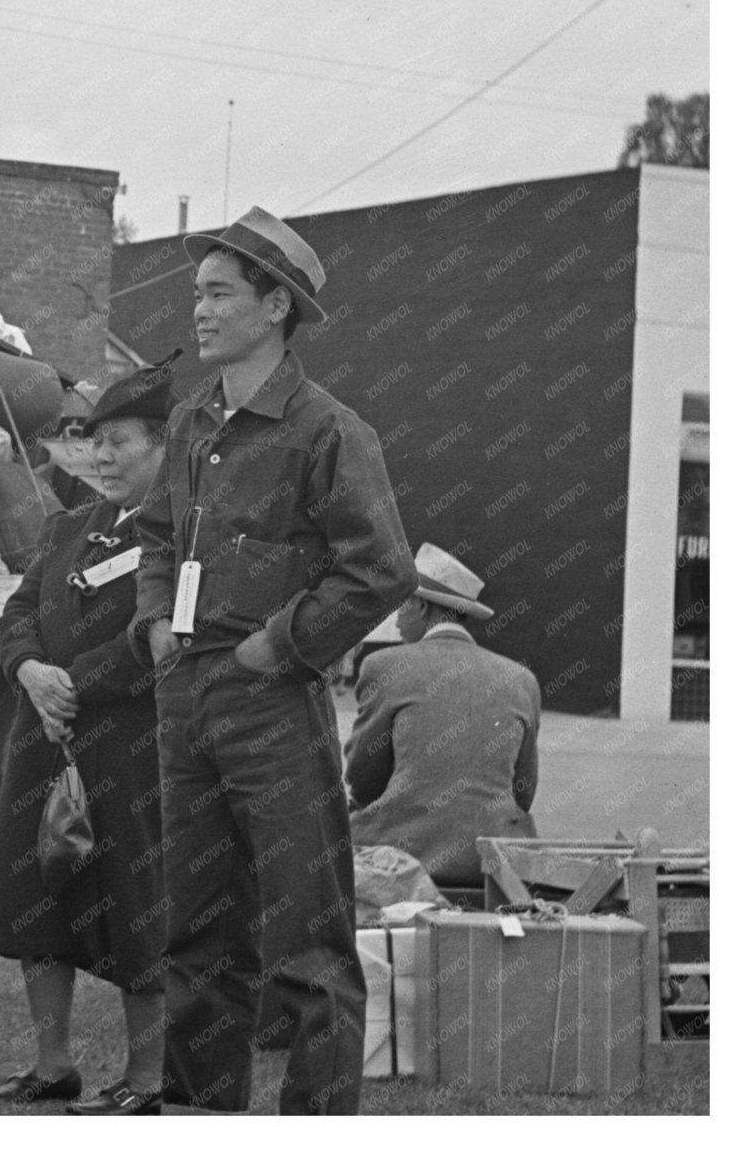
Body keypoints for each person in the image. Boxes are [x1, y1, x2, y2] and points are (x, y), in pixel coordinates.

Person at [131, 207, 415, 1117]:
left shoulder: (328, 432)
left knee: (307, 937)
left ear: (275, 307)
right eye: (198, 295)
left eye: (218, 294)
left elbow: (380, 571)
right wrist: (152, 619)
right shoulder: (188, 424)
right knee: (197, 929)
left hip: (270, 703)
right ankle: (198, 1112)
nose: (200, 312)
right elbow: (153, 539)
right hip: (188, 700)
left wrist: (279, 642)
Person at [0, 357, 180, 1114]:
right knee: (37, 901)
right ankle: (52, 1065)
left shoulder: (186, 537)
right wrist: (29, 671)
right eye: (94, 442)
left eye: (120, 442)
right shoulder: (69, 525)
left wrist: (74, 684)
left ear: (163, 446)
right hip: (42, 736)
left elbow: (158, 638)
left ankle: (148, 1080)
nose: (102, 457)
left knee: (136, 905)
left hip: (128, 747)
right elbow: (16, 613)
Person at [345, 542, 542, 882]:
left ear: (420, 607)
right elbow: (522, 793)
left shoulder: (384, 666)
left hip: (404, 860)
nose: (397, 620)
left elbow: (363, 782)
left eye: (401, 606)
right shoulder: (521, 679)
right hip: (496, 863)